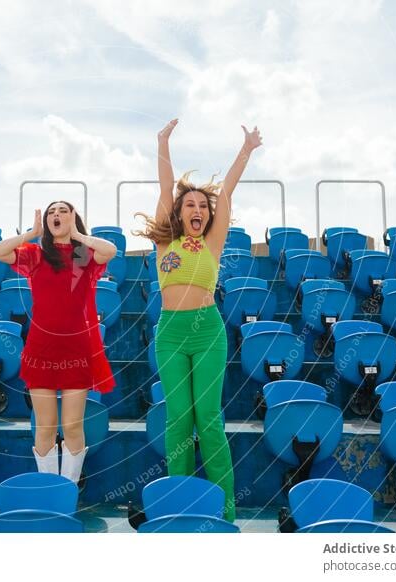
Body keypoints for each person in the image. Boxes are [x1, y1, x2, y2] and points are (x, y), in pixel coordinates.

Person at [135, 118, 262, 522]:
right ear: (179, 210)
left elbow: (226, 191)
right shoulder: (163, 241)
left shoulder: (213, 241)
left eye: (201, 206)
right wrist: (163, 143)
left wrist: (246, 149)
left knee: (207, 418)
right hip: (170, 333)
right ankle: (179, 507)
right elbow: (164, 185)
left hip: (207, 330)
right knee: (178, 419)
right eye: (189, 203)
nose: (197, 208)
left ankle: (224, 510)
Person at [0, 201, 117, 483]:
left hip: (76, 347)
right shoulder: (36, 254)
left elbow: (110, 250)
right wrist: (30, 233)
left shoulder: (83, 254)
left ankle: (69, 491)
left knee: (72, 427)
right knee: (45, 427)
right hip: (41, 347)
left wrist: (78, 235)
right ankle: (49, 491)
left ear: (74, 217)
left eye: (63, 210)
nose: (56, 215)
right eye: (51, 212)